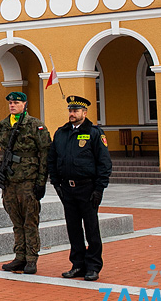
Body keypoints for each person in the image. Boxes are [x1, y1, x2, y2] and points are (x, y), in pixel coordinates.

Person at [0, 91, 51, 275]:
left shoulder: (35, 125)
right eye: (11, 103)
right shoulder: (3, 126)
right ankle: (19, 256)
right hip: (9, 182)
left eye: (16, 103)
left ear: (24, 104)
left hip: (28, 181)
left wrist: (41, 181)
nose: (12, 105)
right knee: (16, 221)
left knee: (30, 221)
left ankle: (31, 258)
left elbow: (46, 154)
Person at [48, 95, 113, 282]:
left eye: (76, 111)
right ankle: (77, 264)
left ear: (84, 113)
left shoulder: (94, 133)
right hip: (67, 189)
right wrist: (56, 183)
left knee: (91, 228)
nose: (72, 114)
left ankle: (93, 266)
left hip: (87, 188)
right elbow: (52, 160)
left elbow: (104, 163)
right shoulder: (61, 133)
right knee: (73, 228)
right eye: (70, 110)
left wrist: (99, 189)